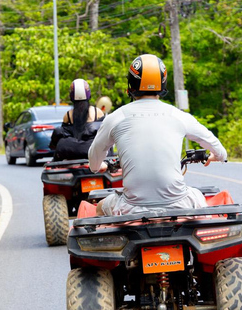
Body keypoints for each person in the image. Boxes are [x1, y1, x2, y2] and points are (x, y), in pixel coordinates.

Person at [88, 54, 227, 216]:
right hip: (179, 204)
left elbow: (93, 163)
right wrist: (216, 155)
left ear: (130, 84)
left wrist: (99, 166)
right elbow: (220, 151)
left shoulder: (115, 118)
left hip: (130, 207)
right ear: (163, 83)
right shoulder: (178, 115)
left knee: (99, 208)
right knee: (200, 199)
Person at [50, 79, 105, 161]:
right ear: (88, 95)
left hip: (71, 151)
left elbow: (61, 133)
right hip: (93, 151)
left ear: (71, 97)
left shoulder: (68, 115)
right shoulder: (98, 112)